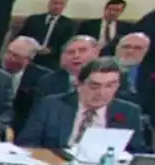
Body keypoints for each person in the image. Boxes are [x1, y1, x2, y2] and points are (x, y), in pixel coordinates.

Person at [17, 57, 148, 153]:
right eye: (94, 86)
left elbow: (136, 152)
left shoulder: (129, 112)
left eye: (110, 86)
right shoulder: (52, 105)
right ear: (79, 85)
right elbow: (27, 142)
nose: (101, 93)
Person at [2, 35, 52, 134]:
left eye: (15, 56)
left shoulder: (43, 78)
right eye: (8, 52)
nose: (8, 58)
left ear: (28, 59)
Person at [35, 35, 101, 102]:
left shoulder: (108, 78)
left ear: (96, 53)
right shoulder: (48, 81)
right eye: (71, 52)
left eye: (82, 51)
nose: (76, 56)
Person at [17, 0, 76, 68]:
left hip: (53, 58)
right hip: (31, 54)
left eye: (61, 4)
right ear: (49, 4)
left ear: (64, 7)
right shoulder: (34, 19)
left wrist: (51, 51)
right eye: (55, 3)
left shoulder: (69, 24)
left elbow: (67, 44)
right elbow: (21, 36)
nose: (57, 6)